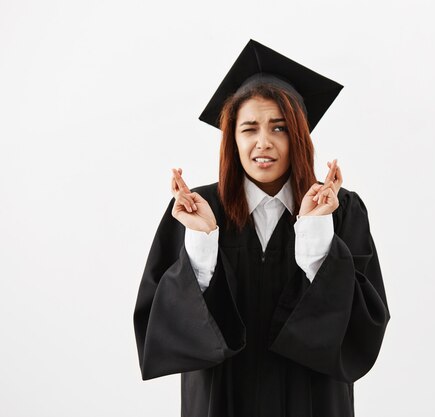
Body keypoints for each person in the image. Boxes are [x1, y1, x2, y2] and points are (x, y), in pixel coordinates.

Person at [133, 39, 391, 417]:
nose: (263, 143)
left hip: (312, 401)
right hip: (223, 401)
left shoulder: (340, 209)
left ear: (299, 136)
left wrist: (318, 235)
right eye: (249, 129)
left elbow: (364, 325)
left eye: (280, 128)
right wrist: (203, 244)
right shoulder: (196, 211)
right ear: (232, 139)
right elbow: (163, 325)